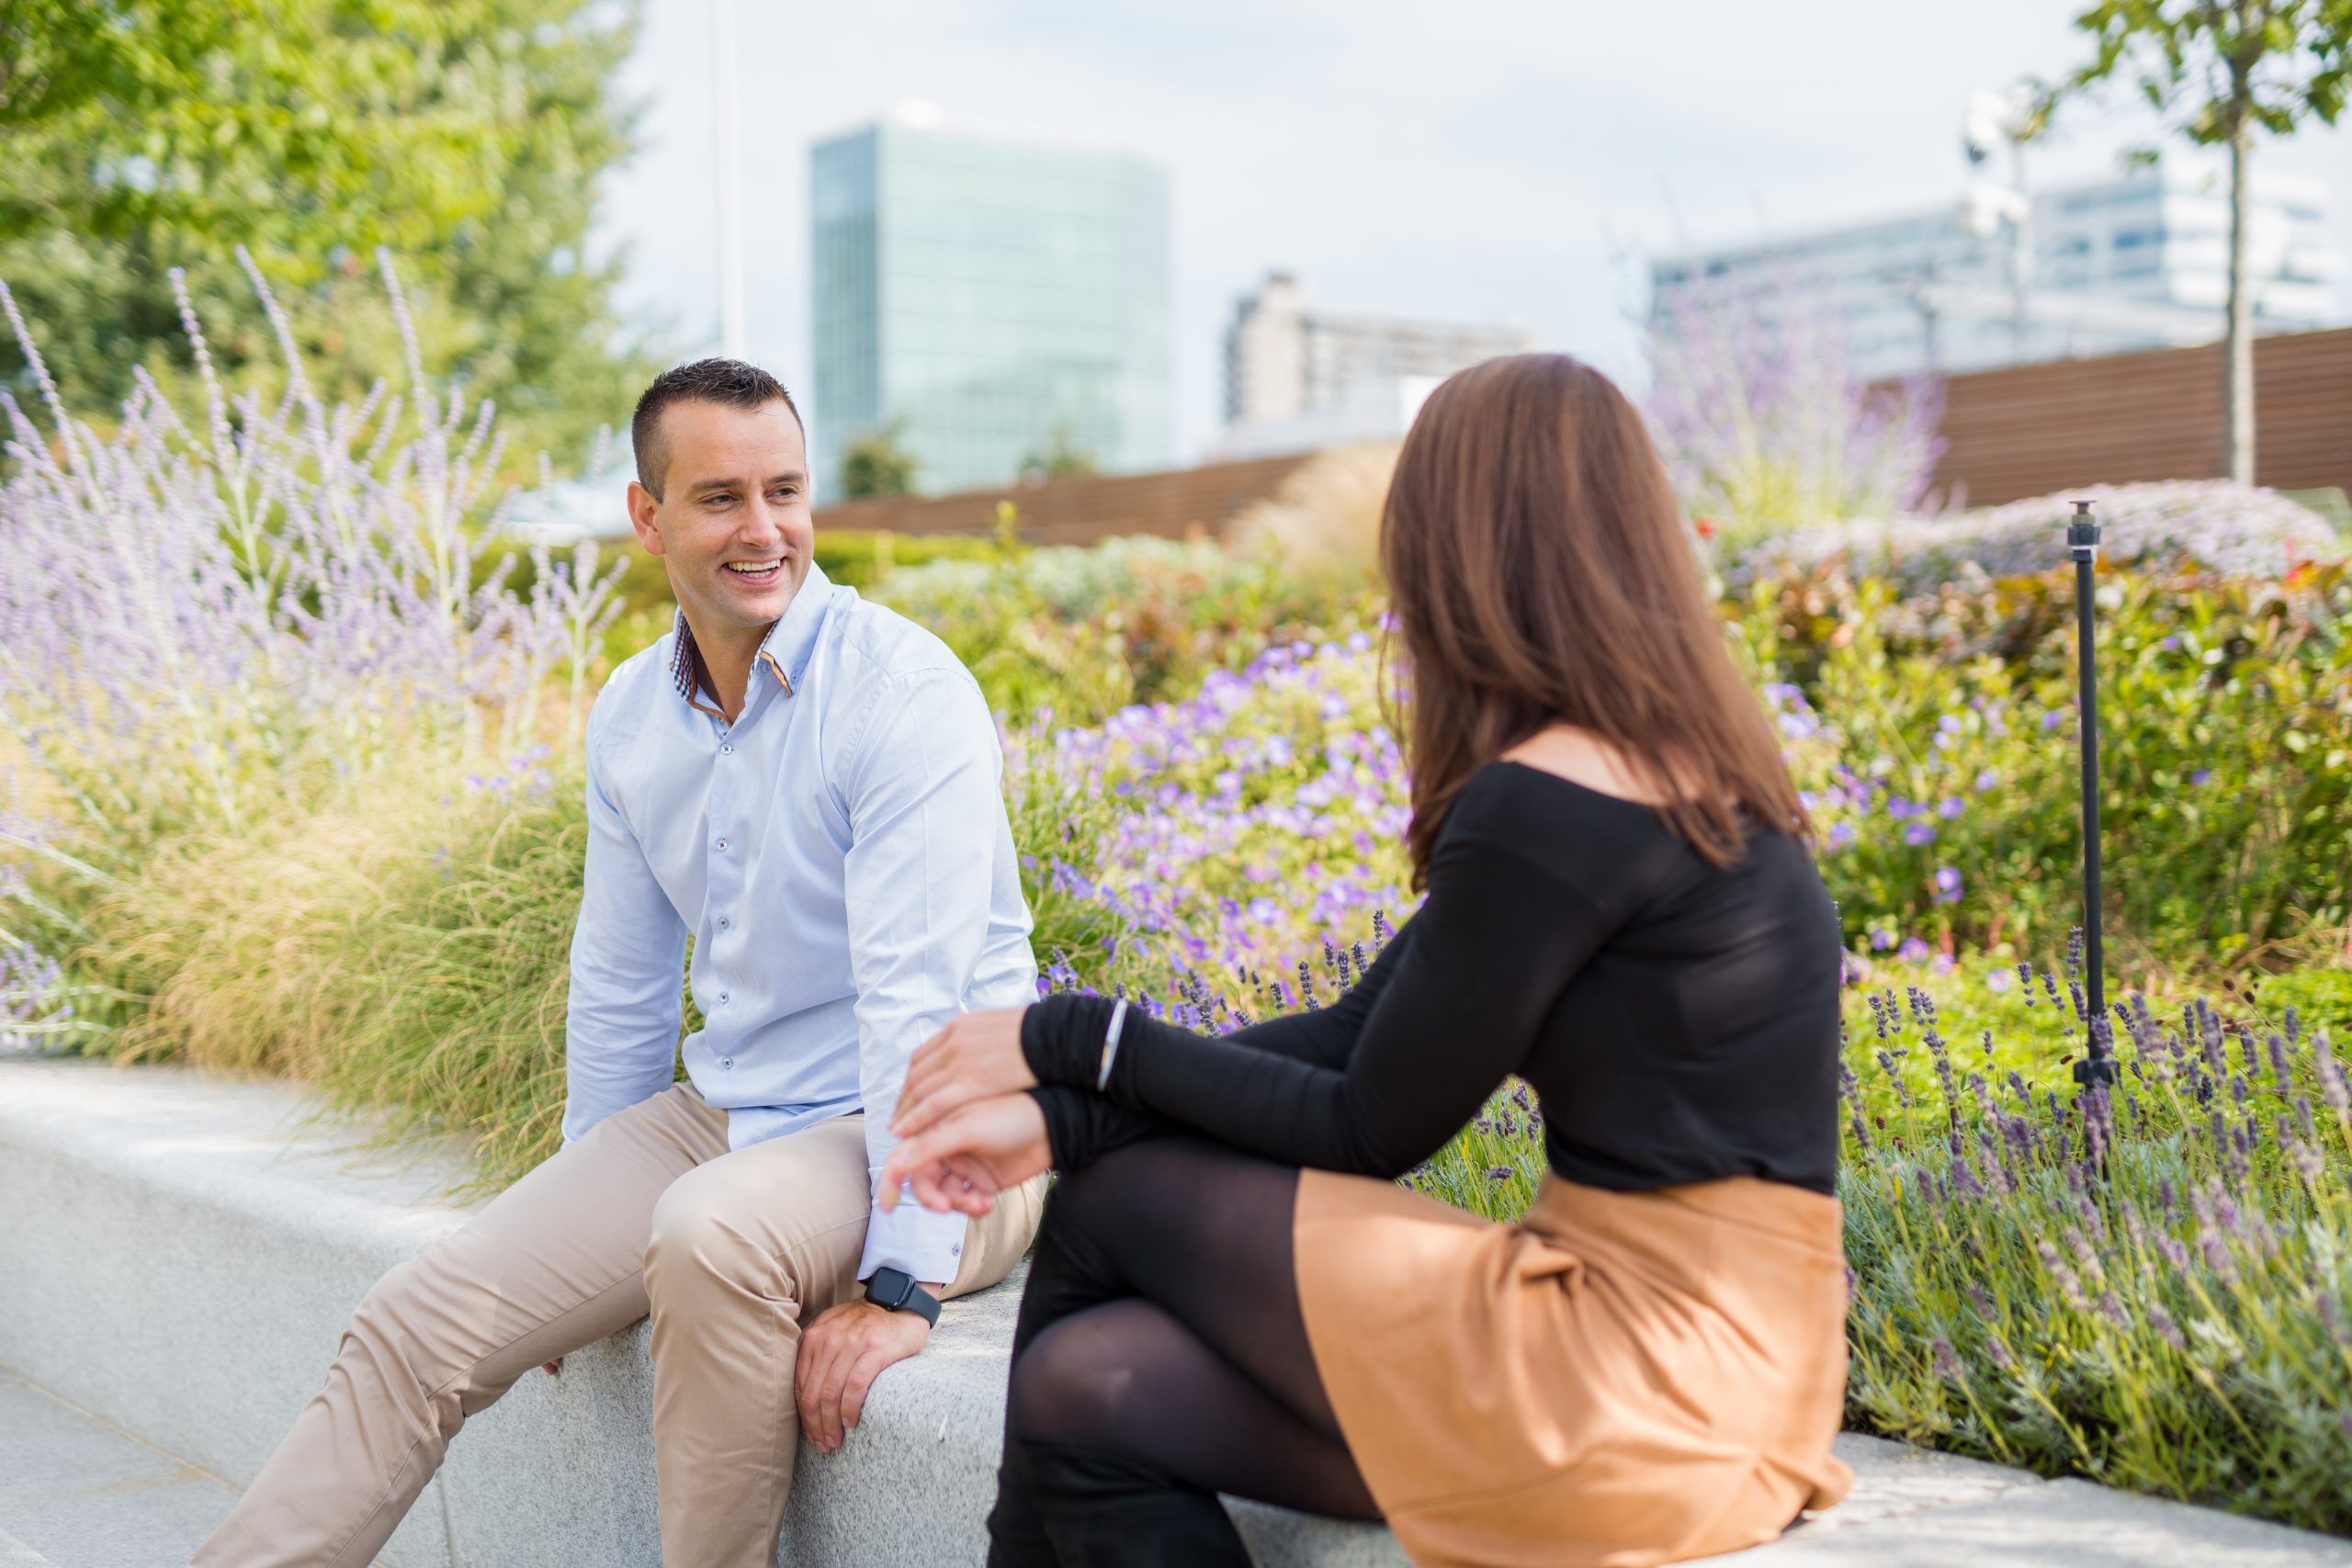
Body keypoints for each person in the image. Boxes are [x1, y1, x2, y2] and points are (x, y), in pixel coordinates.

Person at [876, 353, 1853, 1568]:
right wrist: (1069, 1110)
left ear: (1457, 544)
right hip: (1747, 1370)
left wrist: (1060, 1045)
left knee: (1116, 1202)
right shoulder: (1684, 775)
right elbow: (1347, 1038)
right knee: (1091, 1386)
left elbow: (1367, 1124)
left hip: (1638, 1374)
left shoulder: (1549, 804)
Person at [193, 359, 1046, 1568]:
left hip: (947, 1132)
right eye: (720, 499)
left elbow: (916, 1012)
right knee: (416, 1318)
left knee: (713, 1234)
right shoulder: (635, 713)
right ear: (648, 519)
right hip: (734, 1117)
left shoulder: (903, 695)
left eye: (786, 492)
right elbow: (621, 983)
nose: (765, 531)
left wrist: (902, 1285)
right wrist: (569, 1249)